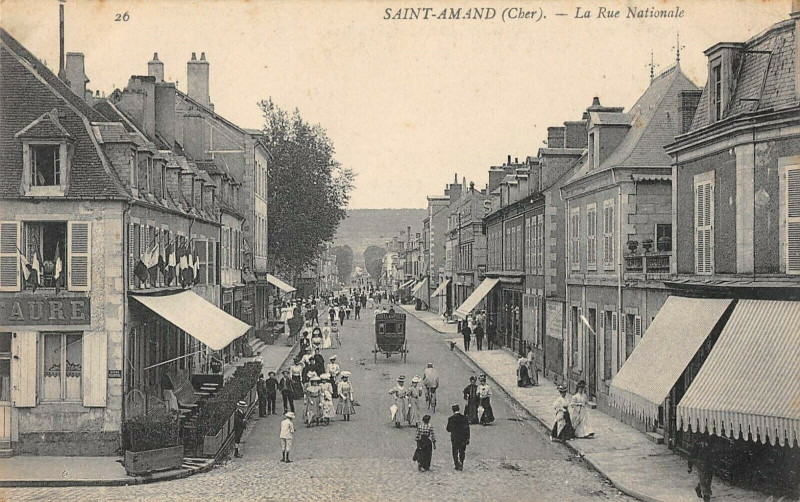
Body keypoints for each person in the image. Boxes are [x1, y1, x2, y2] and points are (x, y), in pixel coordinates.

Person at [688, 435, 714, 501]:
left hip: (709, 463)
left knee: (708, 478)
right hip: (700, 463)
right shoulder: (698, 442)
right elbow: (692, 454)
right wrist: (689, 466)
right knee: (703, 479)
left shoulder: (712, 441)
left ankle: (699, 488)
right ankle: (706, 497)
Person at [446, 404, 470, 471]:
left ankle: (456, 464)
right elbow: (467, 429)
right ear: (459, 409)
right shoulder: (464, 418)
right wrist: (468, 438)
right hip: (463, 437)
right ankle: (461, 462)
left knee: (455, 451)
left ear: (453, 410)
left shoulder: (451, 419)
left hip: (455, 438)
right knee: (462, 451)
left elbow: (448, 429)